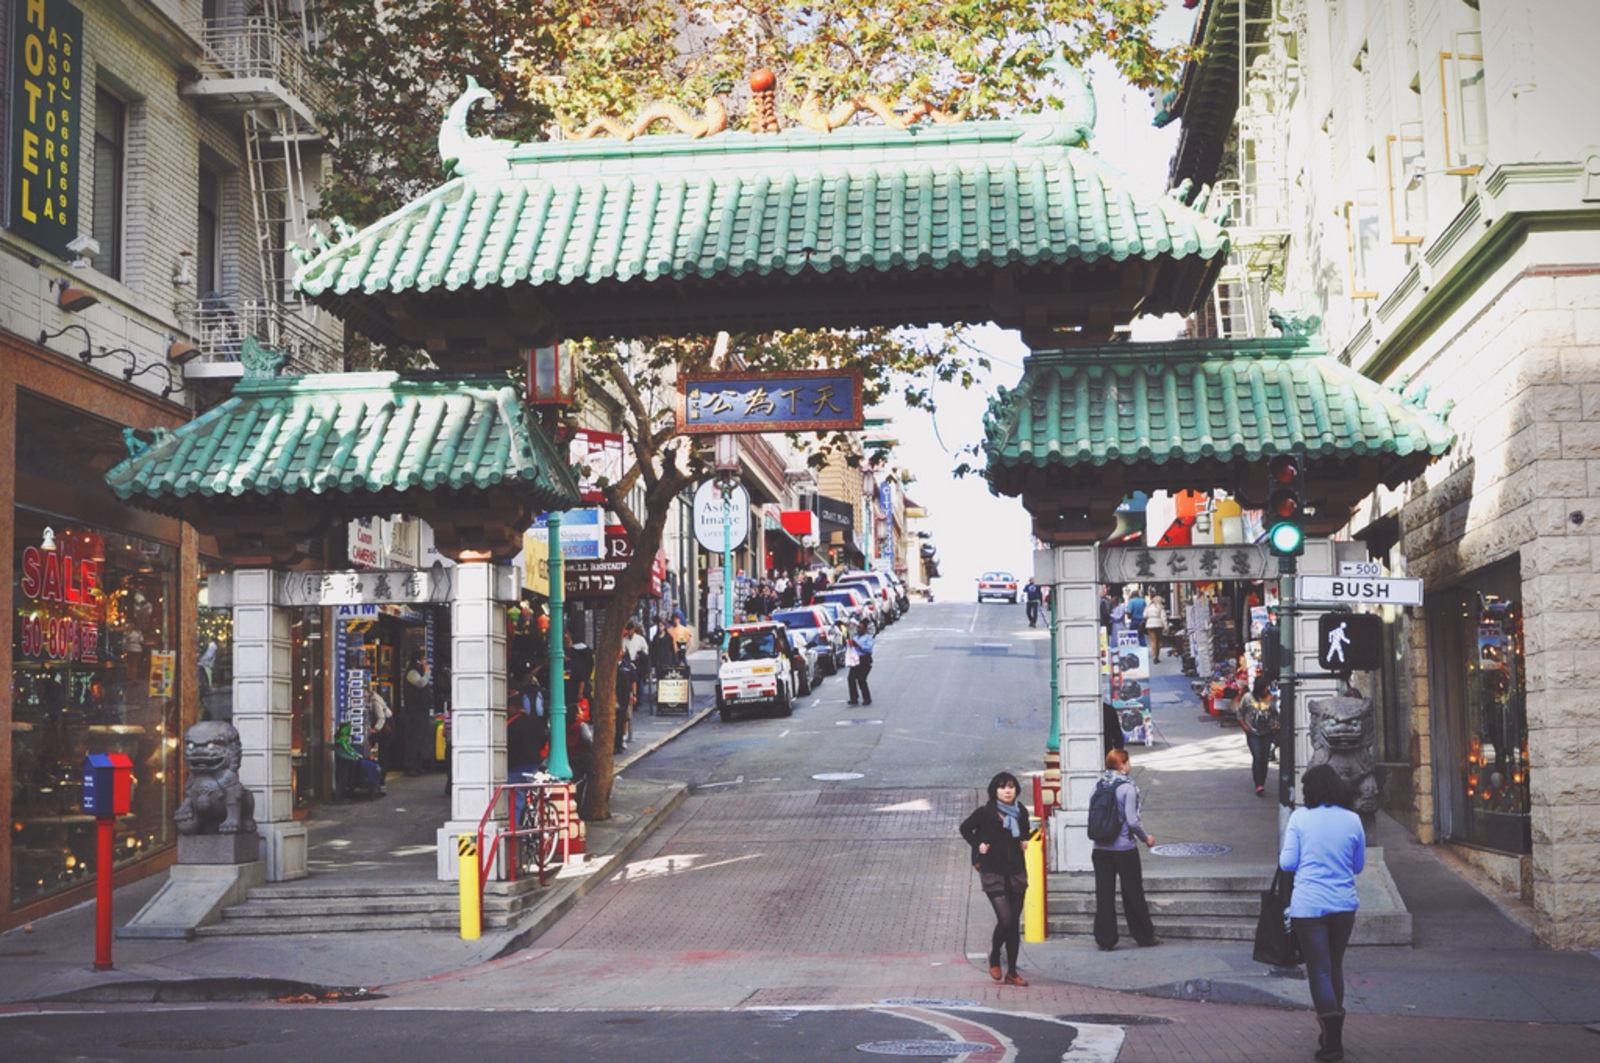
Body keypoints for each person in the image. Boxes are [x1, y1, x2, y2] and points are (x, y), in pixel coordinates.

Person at [1280, 765, 1365, 1062]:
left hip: (1309, 906)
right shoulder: (1353, 820)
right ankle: (1331, 1033)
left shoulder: (1300, 818)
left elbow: (1287, 862)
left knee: (1319, 970)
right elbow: (1358, 866)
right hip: (1343, 905)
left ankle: (1332, 1041)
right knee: (1335, 966)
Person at [958, 771, 1032, 987]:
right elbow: (965, 829)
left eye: (1011, 787)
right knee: (1006, 919)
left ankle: (1012, 972)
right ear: (995, 791)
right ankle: (994, 957)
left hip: (1016, 872)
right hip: (993, 872)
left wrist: (1025, 841)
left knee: (1013, 925)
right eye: (1002, 787)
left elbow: (1025, 833)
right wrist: (978, 844)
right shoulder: (985, 813)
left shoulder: (1021, 812)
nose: (1007, 791)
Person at [1091, 748, 1159, 951]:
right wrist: (1146, 838)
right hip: (1124, 848)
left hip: (1100, 848)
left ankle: (1105, 939)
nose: (1129, 765)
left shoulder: (1098, 785)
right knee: (1132, 892)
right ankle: (1144, 936)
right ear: (1122, 764)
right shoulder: (1127, 788)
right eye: (1127, 762)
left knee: (1104, 893)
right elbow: (1132, 821)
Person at [1237, 674, 1280, 797]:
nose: (1266, 690)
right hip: (1252, 732)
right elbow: (1240, 713)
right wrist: (1245, 727)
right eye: (1264, 687)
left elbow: (1275, 714)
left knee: (1264, 758)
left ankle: (1262, 782)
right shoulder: (1248, 698)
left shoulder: (1272, 698)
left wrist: (1276, 725)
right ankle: (1258, 784)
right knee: (1257, 756)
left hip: (1267, 732)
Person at [401, 651, 434, 776]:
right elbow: (421, 683)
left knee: (421, 738)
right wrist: (427, 672)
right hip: (414, 711)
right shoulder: (412, 672)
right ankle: (410, 766)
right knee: (414, 738)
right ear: (418, 660)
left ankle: (418, 765)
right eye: (423, 659)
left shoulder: (419, 671)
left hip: (422, 709)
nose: (425, 662)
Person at [846, 620, 874, 706]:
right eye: (858, 627)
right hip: (855, 660)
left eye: (860, 628)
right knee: (851, 678)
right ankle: (854, 698)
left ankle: (867, 698)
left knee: (861, 679)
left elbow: (868, 649)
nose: (858, 629)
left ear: (865, 629)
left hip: (864, 660)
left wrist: (858, 645)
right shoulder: (855, 637)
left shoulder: (868, 638)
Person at [1144, 594, 1169, 662]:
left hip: (1150, 625)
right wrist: (1166, 627)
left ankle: (1154, 656)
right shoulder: (1160, 607)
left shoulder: (1148, 607)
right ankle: (1157, 657)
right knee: (1158, 641)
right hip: (1159, 624)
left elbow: (1144, 615)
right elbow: (1163, 618)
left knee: (1153, 641)